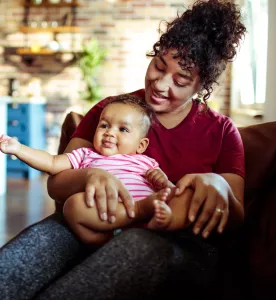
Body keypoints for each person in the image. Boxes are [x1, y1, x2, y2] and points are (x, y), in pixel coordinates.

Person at [0, 1, 246, 299]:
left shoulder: (221, 131)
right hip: (92, 222)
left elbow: (236, 217)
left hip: (178, 244)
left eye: (181, 81)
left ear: (201, 85)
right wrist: (89, 176)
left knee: (136, 247)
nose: (160, 83)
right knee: (23, 257)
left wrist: (217, 183)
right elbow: (56, 183)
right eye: (158, 65)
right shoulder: (110, 110)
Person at [0, 95, 190, 245]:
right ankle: (103, 237)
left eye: (123, 129)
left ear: (141, 145)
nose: (109, 132)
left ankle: (160, 224)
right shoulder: (86, 155)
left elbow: (168, 188)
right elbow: (51, 162)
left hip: (149, 209)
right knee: (72, 206)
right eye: (104, 125)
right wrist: (18, 149)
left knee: (178, 197)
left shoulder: (145, 162)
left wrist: (162, 181)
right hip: (107, 215)